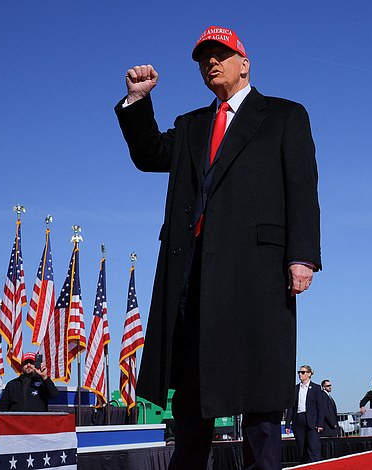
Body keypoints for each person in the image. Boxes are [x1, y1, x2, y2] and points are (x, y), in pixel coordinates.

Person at [115, 25, 321, 470]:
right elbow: (150, 154)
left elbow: (302, 188)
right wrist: (138, 100)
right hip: (192, 277)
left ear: (244, 63)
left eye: (221, 54)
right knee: (191, 398)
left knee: (261, 396)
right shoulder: (191, 125)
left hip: (258, 274)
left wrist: (301, 257)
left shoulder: (285, 115)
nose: (211, 62)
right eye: (204, 57)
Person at [284, 366, 324, 463]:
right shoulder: (295, 388)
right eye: (299, 372)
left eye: (302, 372)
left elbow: (320, 408)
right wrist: (288, 424)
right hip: (298, 420)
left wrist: (320, 424)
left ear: (309, 374)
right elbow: (291, 408)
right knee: (301, 448)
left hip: (312, 421)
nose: (300, 374)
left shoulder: (316, 388)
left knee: (313, 448)